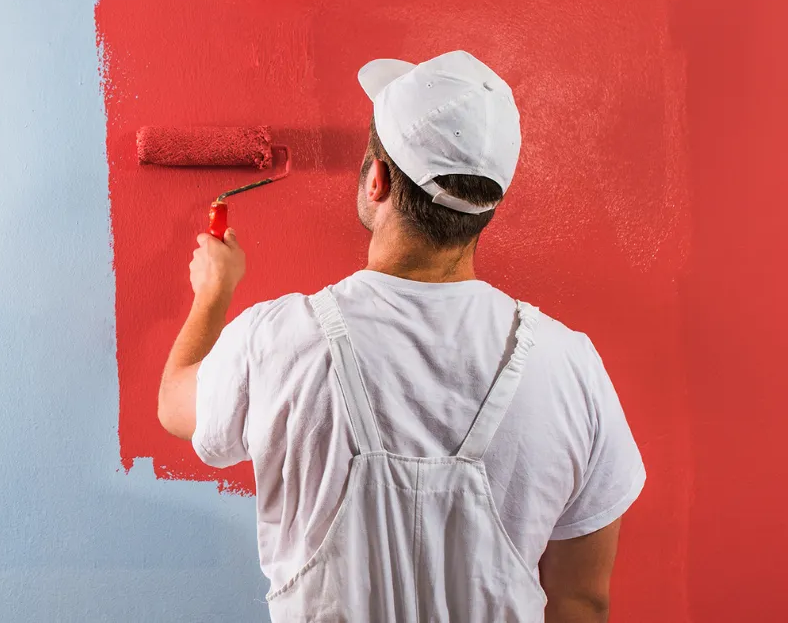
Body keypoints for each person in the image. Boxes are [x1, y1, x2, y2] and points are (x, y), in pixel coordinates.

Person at [156, 50, 646, 622]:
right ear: (491, 203)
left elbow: (174, 404)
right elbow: (581, 601)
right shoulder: (570, 366)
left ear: (377, 180)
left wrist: (212, 295)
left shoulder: (279, 339)